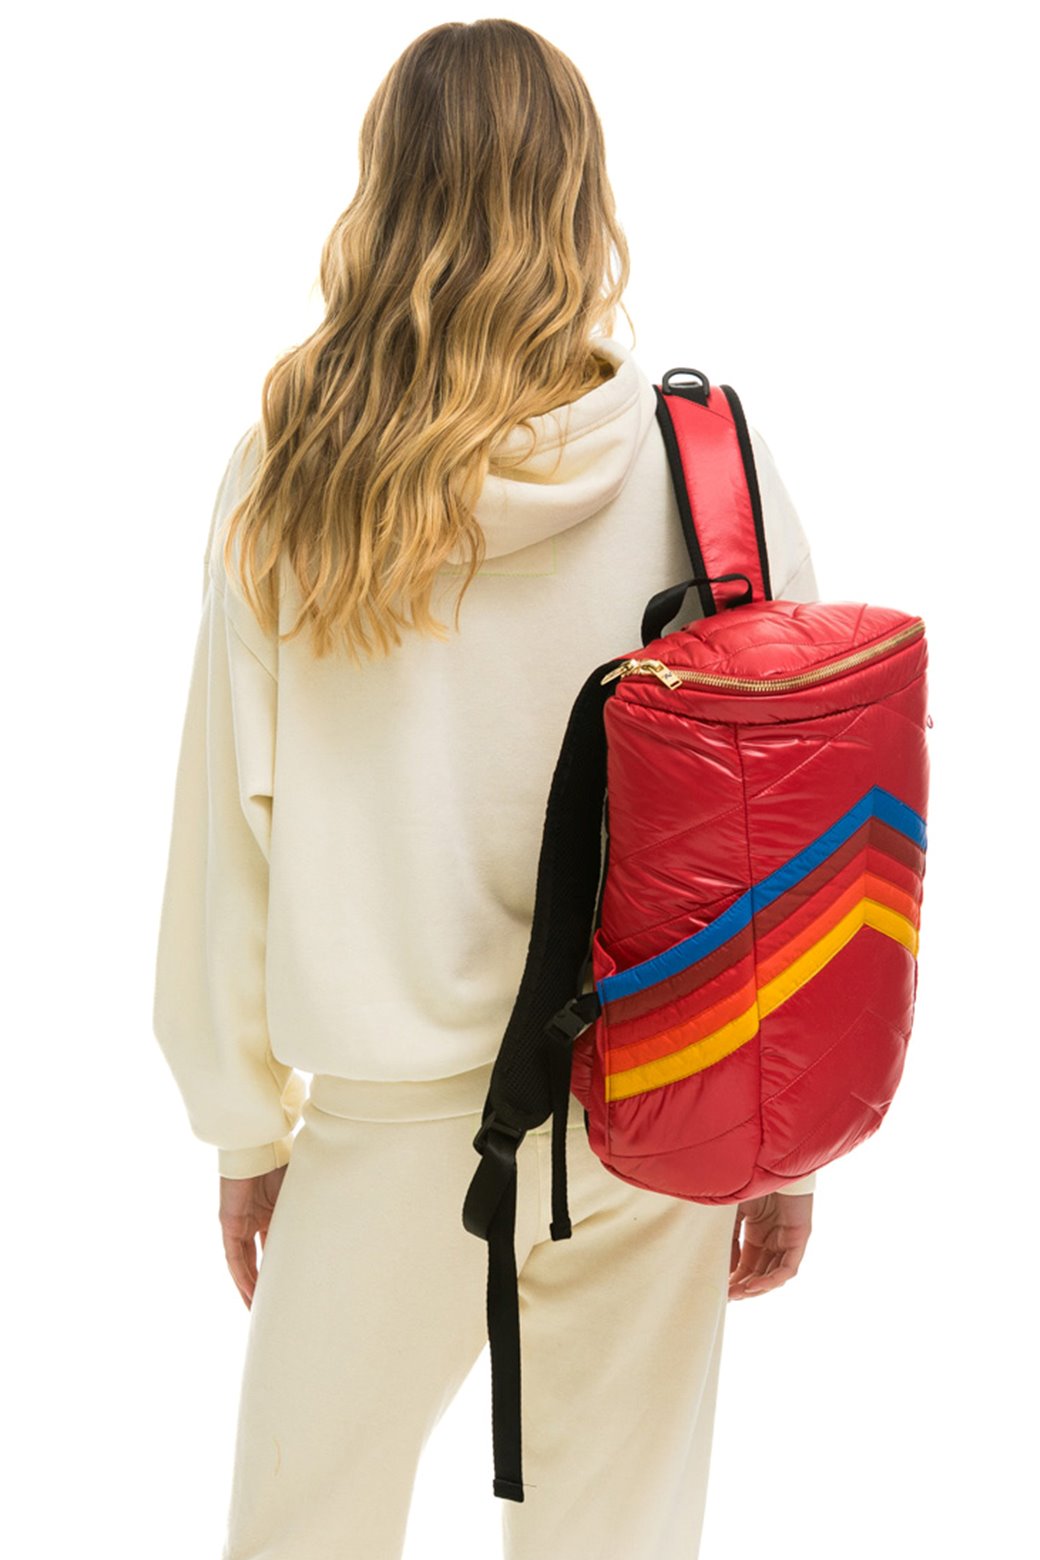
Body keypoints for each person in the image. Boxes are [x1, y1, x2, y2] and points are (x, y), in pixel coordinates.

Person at [151, 19, 817, 1560]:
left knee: (301, 1533)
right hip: (659, 1092)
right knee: (617, 1541)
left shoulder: (292, 476)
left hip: (391, 1118)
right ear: (584, 193)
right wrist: (776, 1138)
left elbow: (227, 833)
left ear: (383, 190)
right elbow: (785, 826)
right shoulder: (708, 466)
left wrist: (244, 1129)